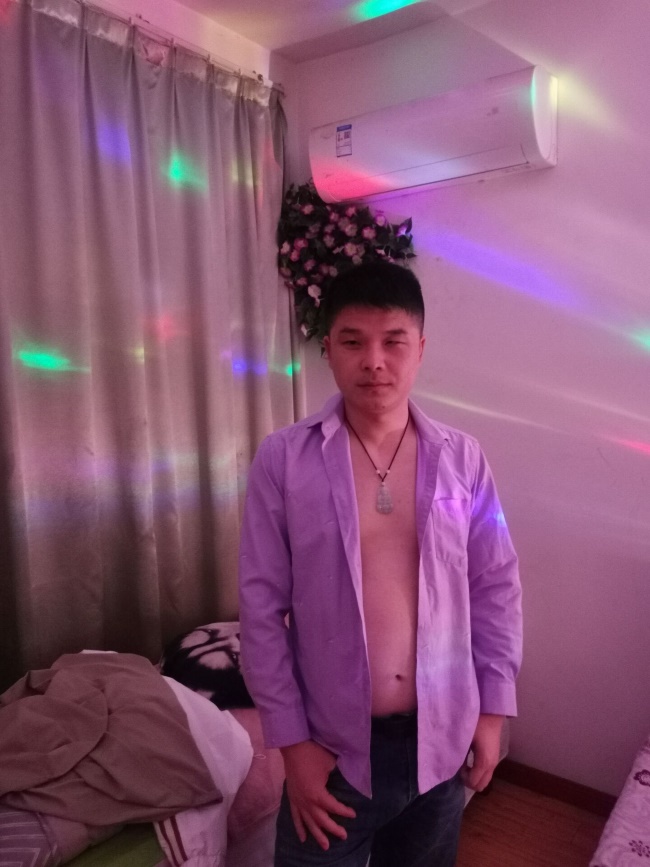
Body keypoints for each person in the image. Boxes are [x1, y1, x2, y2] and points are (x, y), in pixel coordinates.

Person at [238, 260, 522, 867]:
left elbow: (495, 587)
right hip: (333, 752)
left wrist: (492, 712)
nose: (374, 361)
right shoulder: (283, 461)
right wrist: (292, 744)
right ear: (328, 348)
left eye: (393, 341)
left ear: (420, 349)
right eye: (353, 342)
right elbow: (261, 610)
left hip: (440, 747)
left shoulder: (463, 459)